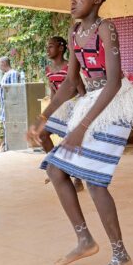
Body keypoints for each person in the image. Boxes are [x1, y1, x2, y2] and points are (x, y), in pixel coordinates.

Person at [27, 0, 133, 265]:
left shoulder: (106, 28)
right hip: (90, 101)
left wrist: (82, 127)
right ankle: (85, 240)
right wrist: (43, 118)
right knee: (56, 170)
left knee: (94, 180)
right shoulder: (74, 32)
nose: (72, 1)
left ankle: (120, 255)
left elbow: (115, 81)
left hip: (112, 103)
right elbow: (70, 83)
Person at [39, 36, 85, 192]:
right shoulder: (48, 70)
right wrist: (50, 112)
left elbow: (82, 92)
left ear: (61, 48)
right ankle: (55, 166)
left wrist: (82, 112)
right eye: (47, 46)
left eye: (51, 46)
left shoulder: (70, 68)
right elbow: (54, 93)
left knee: (72, 142)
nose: (47, 49)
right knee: (43, 135)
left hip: (74, 108)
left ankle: (77, 178)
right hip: (59, 109)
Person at [0, 56, 23, 151]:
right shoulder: (6, 74)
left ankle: (13, 148)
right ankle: (9, 148)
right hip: (5, 108)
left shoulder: (12, 74)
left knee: (12, 128)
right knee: (7, 129)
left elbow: (14, 90)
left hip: (11, 109)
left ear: (4, 63)